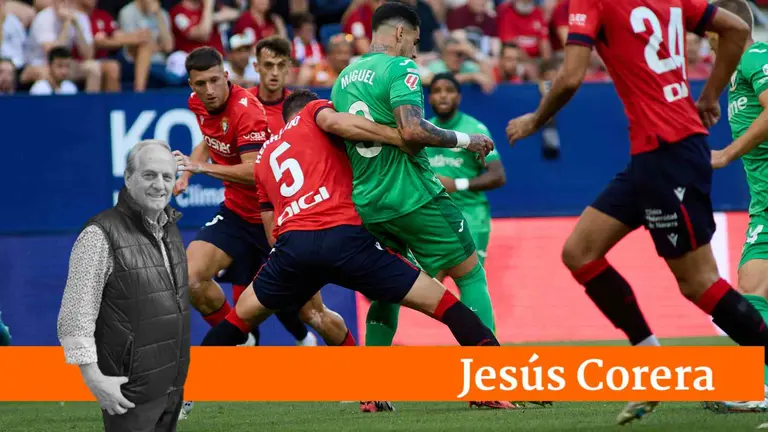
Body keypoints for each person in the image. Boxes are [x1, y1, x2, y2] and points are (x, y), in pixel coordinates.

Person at [505, 0, 767, 425]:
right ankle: (652, 367)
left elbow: (571, 76)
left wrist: (536, 120)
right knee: (580, 251)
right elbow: (736, 28)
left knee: (699, 284)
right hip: (653, 152)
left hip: (671, 150)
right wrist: (709, 95)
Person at [199, 90, 503, 415]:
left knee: (236, 321)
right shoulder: (315, 113)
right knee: (444, 303)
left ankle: (184, 390)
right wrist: (398, 137)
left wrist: (294, 276)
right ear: (307, 111)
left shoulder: (264, 160)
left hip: (292, 251)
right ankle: (499, 384)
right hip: (345, 238)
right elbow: (343, 124)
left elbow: (271, 229)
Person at [329, 2, 511, 412]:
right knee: (470, 273)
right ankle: (489, 386)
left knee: (388, 288)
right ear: (398, 34)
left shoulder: (341, 81)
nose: (414, 51)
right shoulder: (400, 69)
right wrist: (466, 141)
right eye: (413, 40)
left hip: (370, 204)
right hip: (414, 195)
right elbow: (412, 129)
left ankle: (373, 394)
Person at [174, 46, 348, 420]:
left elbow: (254, 171)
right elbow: (211, 137)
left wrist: (198, 169)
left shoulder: (247, 111)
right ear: (191, 84)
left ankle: (362, 375)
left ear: (228, 76)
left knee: (313, 314)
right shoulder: (198, 102)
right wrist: (190, 168)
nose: (207, 90)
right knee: (187, 277)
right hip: (237, 214)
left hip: (279, 216)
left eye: (213, 81)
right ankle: (240, 341)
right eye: (199, 83)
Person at [57, 139, 189, 432]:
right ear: (129, 178)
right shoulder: (99, 234)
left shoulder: (170, 229)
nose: (160, 184)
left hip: (170, 392)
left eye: (167, 177)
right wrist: (95, 380)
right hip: (126, 393)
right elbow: (74, 317)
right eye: (149, 175)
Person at [704, 0, 768, 414]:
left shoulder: (756, 56)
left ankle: (756, 387)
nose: (709, 50)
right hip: (762, 200)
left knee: (753, 285)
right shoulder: (736, 74)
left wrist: (726, 153)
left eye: (710, 38)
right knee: (754, 283)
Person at [425, 72, 506, 329]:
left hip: (471, 216)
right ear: (430, 97)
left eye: (449, 90)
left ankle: (485, 349)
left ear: (459, 96)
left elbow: (498, 175)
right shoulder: (423, 130)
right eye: (437, 91)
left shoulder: (474, 129)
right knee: (415, 288)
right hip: (434, 220)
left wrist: (457, 184)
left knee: (470, 282)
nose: (443, 95)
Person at [248, 36, 292, 134]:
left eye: (281, 65)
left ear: (288, 67)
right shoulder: (240, 102)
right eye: (268, 65)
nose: (275, 73)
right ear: (256, 66)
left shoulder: (296, 109)